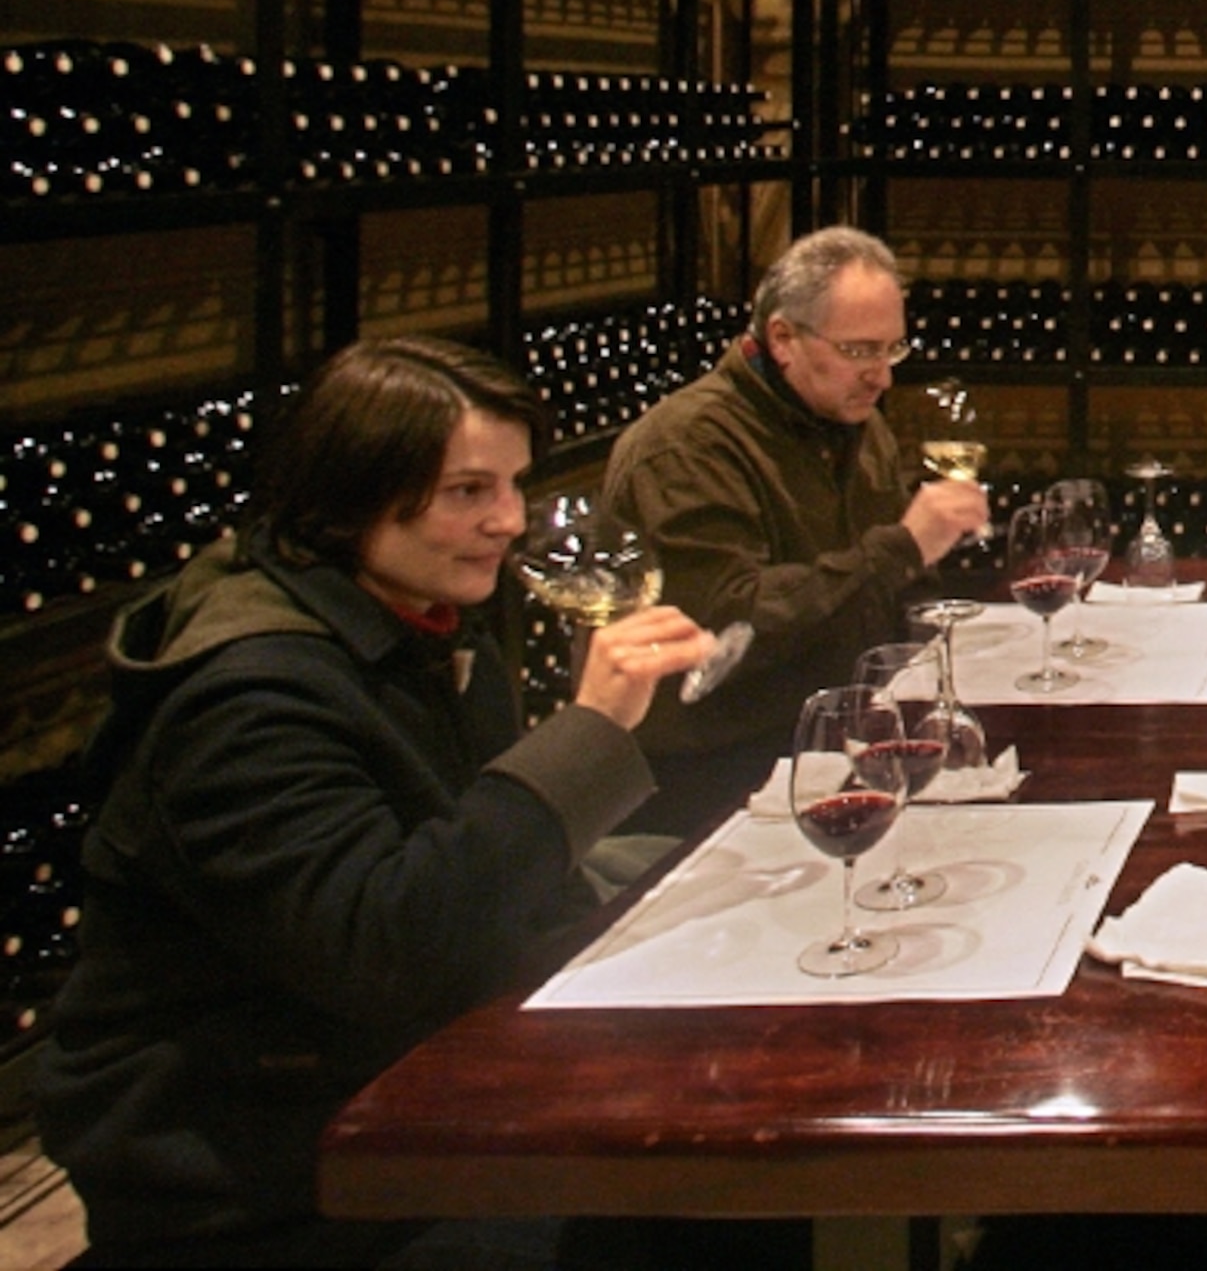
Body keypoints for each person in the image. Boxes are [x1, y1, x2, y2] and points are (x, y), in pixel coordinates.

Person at [33, 337, 715, 1266]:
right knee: (689, 1211)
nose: (509, 520)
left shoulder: (411, 629)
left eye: (515, 484)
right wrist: (592, 728)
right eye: (467, 491)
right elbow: (387, 947)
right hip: (264, 1173)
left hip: (390, 1086)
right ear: (352, 491)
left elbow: (477, 874)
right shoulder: (248, 700)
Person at [600, 226, 991, 832]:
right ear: (782, 338)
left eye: (893, 349)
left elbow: (886, 594)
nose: (882, 376)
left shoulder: (851, 420)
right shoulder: (686, 447)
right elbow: (729, 630)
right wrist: (902, 547)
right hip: (720, 770)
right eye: (860, 350)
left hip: (835, 736)